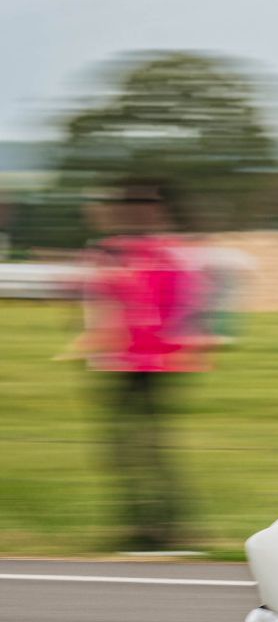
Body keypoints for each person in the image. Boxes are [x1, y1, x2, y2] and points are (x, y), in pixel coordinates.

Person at [70, 182, 207, 552]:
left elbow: (183, 305)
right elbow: (94, 296)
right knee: (123, 448)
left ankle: (165, 530)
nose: (134, 214)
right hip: (122, 362)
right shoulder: (115, 250)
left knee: (145, 447)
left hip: (155, 365)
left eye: (141, 207)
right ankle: (142, 526)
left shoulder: (168, 254)